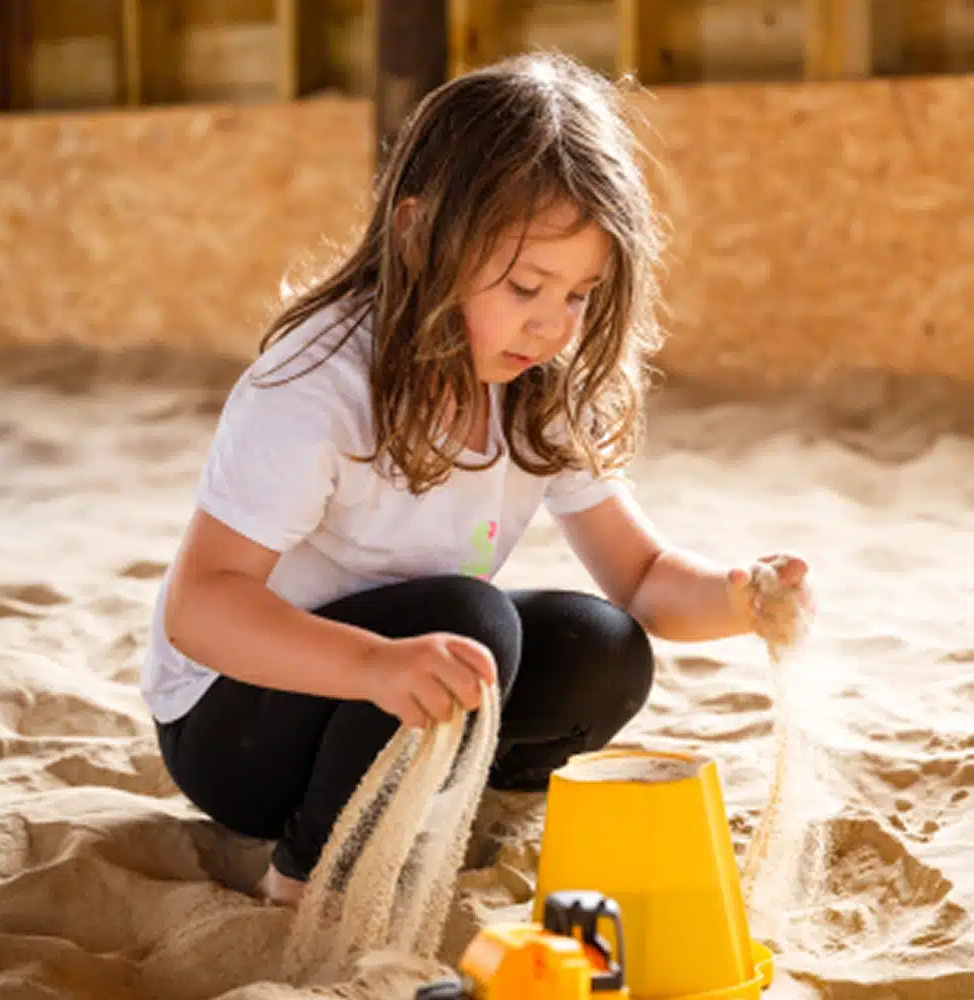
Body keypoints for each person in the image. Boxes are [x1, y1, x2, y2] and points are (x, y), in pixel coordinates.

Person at [141, 51, 812, 907]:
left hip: (396, 691)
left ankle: (426, 798)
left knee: (599, 649)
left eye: (579, 294)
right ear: (421, 233)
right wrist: (374, 667)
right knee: (469, 618)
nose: (552, 323)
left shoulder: (538, 386)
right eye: (527, 284)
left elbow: (640, 578)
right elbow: (201, 608)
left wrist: (743, 600)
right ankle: (308, 873)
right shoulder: (317, 385)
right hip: (240, 727)